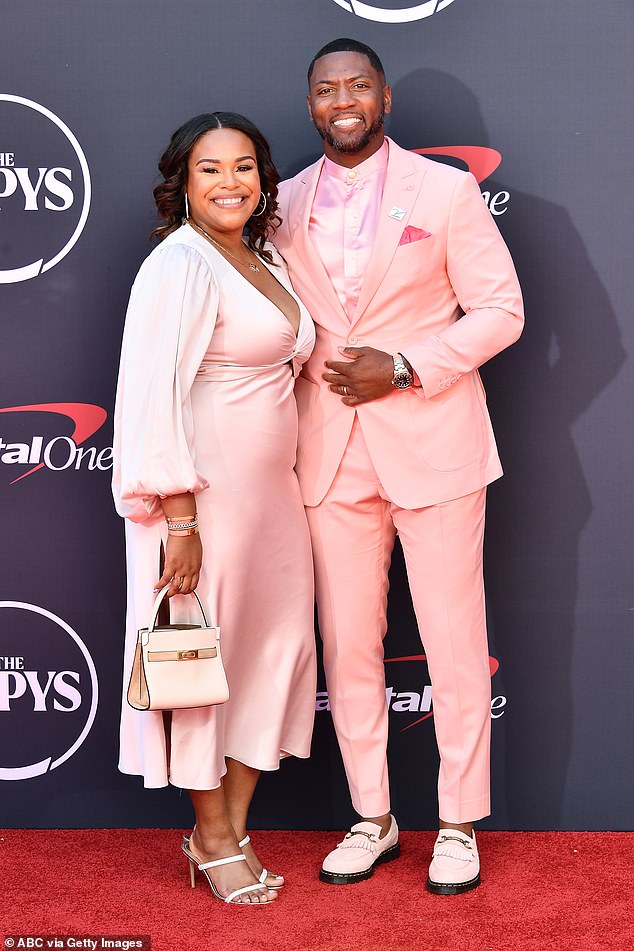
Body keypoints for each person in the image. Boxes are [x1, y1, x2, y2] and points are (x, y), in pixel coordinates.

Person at [273, 38, 524, 894]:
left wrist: (407, 365)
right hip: (330, 454)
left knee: (456, 642)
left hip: (435, 439)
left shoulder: (447, 191)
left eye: (357, 84)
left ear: (382, 95)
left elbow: (501, 310)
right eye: (325, 88)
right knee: (348, 646)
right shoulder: (280, 202)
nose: (342, 98)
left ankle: (457, 823)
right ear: (311, 104)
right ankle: (372, 816)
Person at [112, 112, 316, 905]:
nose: (229, 182)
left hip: (275, 502)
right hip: (203, 506)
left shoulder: (262, 256)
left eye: (243, 167)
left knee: (272, 658)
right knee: (204, 667)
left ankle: (219, 831)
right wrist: (179, 519)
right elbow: (148, 398)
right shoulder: (180, 264)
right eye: (210, 169)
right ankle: (218, 836)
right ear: (183, 182)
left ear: (262, 178)